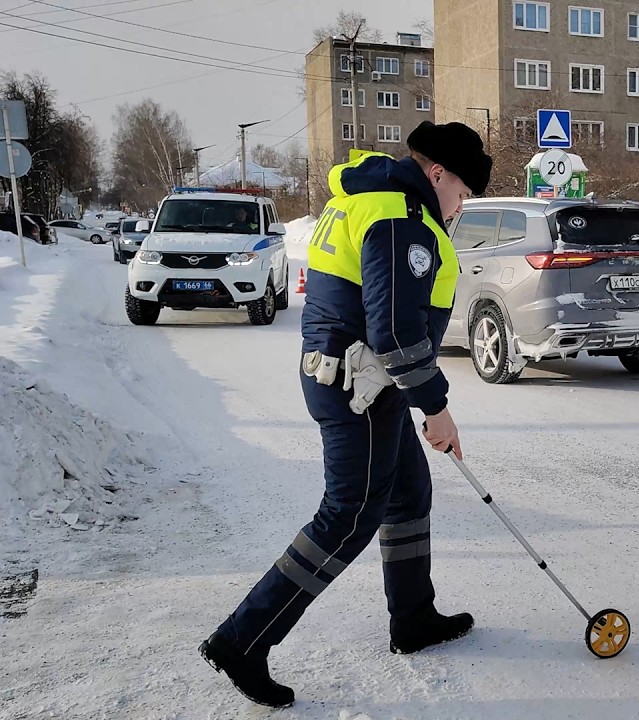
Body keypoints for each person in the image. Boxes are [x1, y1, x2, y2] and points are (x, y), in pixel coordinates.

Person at [199, 121, 492, 708]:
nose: (461, 207)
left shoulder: (367, 197)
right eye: (461, 192)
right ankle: (241, 639)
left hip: (361, 381)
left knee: (408, 493)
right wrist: (436, 407)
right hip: (357, 388)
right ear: (438, 173)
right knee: (348, 516)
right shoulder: (396, 215)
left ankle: (412, 618)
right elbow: (392, 328)